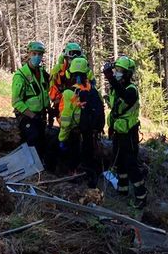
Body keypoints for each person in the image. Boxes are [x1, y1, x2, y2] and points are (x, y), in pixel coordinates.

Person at [57, 56, 104, 184]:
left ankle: (74, 178)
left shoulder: (69, 93)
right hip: (90, 133)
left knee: (73, 156)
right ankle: (91, 179)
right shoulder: (94, 91)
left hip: (75, 133)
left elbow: (66, 120)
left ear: (70, 73)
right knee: (89, 156)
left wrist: (62, 139)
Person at [106, 55, 144, 208]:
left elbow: (124, 96)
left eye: (120, 70)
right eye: (116, 69)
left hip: (129, 134)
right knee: (119, 163)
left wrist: (111, 78)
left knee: (131, 164)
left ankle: (141, 196)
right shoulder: (116, 88)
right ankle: (122, 190)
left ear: (128, 73)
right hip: (118, 131)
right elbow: (116, 108)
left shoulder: (131, 90)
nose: (117, 72)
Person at [12, 40, 52, 167]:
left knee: (44, 142)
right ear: (29, 54)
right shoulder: (21, 75)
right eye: (34, 54)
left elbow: (45, 93)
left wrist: (49, 109)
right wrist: (32, 115)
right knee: (32, 138)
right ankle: (31, 168)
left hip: (41, 115)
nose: (37, 57)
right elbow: (16, 101)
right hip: (27, 116)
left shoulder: (43, 74)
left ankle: (41, 167)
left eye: (40, 54)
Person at [49, 41, 84, 116]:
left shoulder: (85, 70)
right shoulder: (58, 71)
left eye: (77, 54)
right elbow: (53, 93)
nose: (74, 57)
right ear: (66, 57)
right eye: (72, 54)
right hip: (64, 107)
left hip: (82, 107)